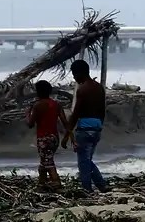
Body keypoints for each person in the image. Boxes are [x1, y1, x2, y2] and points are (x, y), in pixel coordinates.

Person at [62, 59, 109, 193]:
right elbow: (102, 110)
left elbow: (76, 114)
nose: (73, 77)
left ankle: (87, 189)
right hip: (97, 127)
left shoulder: (83, 89)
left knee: (83, 162)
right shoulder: (99, 87)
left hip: (85, 128)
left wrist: (67, 135)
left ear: (79, 73)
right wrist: (99, 126)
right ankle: (101, 185)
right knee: (87, 160)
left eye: (73, 74)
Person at [26, 80, 73, 190]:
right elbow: (65, 122)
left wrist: (27, 114)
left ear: (38, 92)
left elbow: (30, 124)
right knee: (45, 161)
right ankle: (41, 183)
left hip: (44, 138)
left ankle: (56, 182)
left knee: (48, 162)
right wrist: (71, 138)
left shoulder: (38, 105)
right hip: (54, 138)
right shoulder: (56, 104)